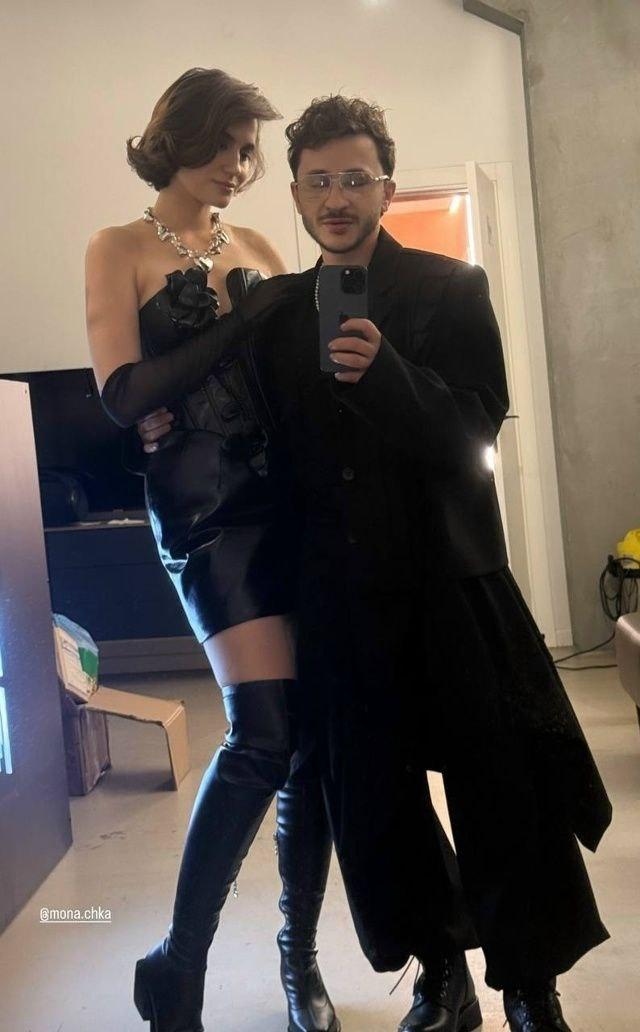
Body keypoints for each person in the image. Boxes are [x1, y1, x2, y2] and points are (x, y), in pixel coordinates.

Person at [139, 94, 613, 1032]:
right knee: (377, 807)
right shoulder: (279, 314)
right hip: (340, 596)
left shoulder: (453, 287)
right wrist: (159, 425)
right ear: (296, 194)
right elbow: (253, 439)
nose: (337, 198)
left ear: (387, 189)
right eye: (318, 181)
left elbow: (475, 433)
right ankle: (443, 979)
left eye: (356, 178)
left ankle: (531, 988)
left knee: (501, 789)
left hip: (452, 582)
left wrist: (389, 373)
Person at [85, 68, 341, 1032]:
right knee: (263, 732)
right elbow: (122, 396)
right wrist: (244, 322)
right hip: (206, 508)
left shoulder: (264, 247)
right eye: (228, 145)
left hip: (291, 502)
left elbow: (295, 387)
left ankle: (298, 960)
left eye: (250, 151)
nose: (241, 166)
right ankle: (179, 960)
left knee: (309, 743)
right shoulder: (117, 247)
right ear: (181, 137)